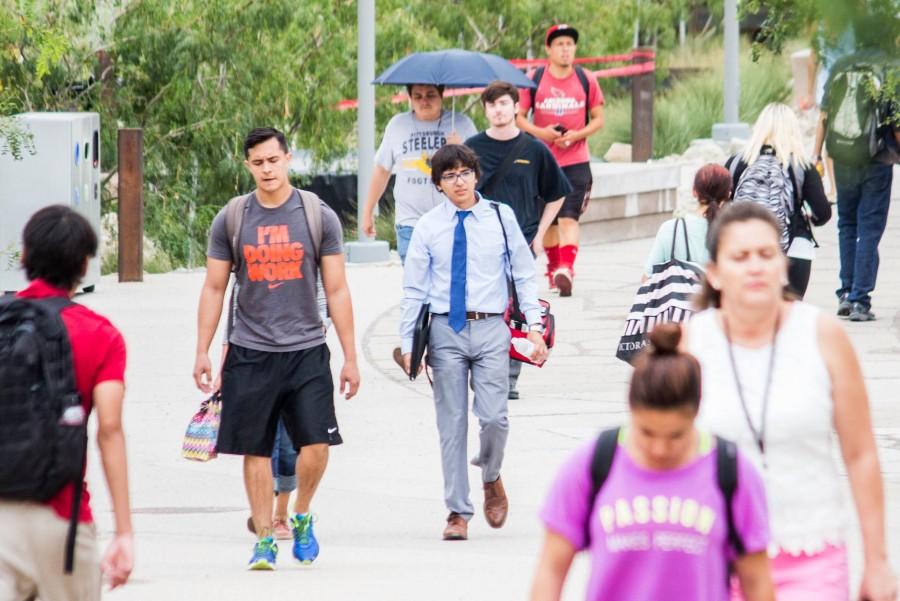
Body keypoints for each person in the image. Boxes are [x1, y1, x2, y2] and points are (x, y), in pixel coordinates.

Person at [686, 203, 897, 601]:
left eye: (767, 255)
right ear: (714, 273)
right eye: (740, 256)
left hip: (811, 557)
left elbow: (861, 454)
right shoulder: (691, 344)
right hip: (715, 562)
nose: (755, 267)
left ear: (783, 266)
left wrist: (877, 560)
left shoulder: (822, 335)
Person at [194, 127, 360, 570]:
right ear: (247, 165)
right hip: (250, 348)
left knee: (316, 447)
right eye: (258, 162)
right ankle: (265, 538)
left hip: (307, 347)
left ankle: (302, 513)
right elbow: (213, 288)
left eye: (274, 160)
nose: (267, 169)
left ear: (287, 159)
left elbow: (338, 289)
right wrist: (203, 349)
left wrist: (350, 357)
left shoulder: (317, 215)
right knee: (256, 448)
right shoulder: (232, 218)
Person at [531, 323, 774, 601]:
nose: (660, 448)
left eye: (675, 435)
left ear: (696, 415)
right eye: (647, 432)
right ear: (631, 409)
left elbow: (757, 582)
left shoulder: (731, 472)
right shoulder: (594, 464)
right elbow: (551, 569)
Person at [399, 144, 548, 541]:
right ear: (438, 185)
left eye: (465, 173)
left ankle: (492, 475)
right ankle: (457, 512)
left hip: (491, 329)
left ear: (476, 176)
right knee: (451, 423)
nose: (459, 181)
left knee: (495, 417)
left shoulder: (500, 217)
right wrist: (407, 341)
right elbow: (414, 288)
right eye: (449, 176)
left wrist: (535, 325)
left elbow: (524, 273)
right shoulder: (429, 226)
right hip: (445, 330)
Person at [0, 205, 133, 599]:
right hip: (64, 520)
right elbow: (109, 431)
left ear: (24, 257)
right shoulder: (101, 335)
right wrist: (124, 531)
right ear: (84, 263)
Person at [465, 80, 571, 400]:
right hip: (477, 242)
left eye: (503, 104)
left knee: (515, 311)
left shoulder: (534, 149)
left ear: (516, 108)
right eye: (491, 104)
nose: (498, 110)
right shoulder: (472, 148)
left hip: (521, 241)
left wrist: (540, 234)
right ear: (485, 110)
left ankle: (509, 378)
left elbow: (557, 193)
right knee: (482, 308)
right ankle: (482, 370)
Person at [518, 23, 605, 297]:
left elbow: (599, 118)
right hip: (543, 161)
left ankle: (566, 268)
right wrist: (541, 133)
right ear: (549, 49)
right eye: (560, 44)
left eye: (569, 44)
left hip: (576, 160)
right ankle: (555, 270)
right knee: (550, 221)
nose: (566, 49)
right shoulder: (535, 78)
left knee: (569, 217)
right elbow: (519, 117)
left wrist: (577, 134)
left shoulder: (585, 78)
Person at [814, 56, 898, 321]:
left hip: (843, 158)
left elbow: (824, 117)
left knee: (847, 224)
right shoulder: (889, 70)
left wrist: (816, 155)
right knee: (870, 229)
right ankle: (860, 301)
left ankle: (846, 293)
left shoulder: (842, 66)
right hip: (877, 161)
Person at [361, 84, 477, 264]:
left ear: (441, 96)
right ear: (410, 98)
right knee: (416, 285)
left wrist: (461, 149)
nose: (424, 100)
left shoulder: (461, 124)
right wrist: (368, 211)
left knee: (448, 283)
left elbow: (476, 172)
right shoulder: (397, 125)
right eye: (418, 96)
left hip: (452, 220)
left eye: (430, 95)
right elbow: (382, 169)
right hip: (410, 223)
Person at [725, 103, 831, 299]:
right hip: (794, 248)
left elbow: (724, 206)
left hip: (744, 251)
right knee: (789, 319)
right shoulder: (801, 165)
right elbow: (823, 214)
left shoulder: (735, 162)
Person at [643, 163, 733, 279]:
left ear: (694, 191)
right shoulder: (733, 232)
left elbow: (647, 277)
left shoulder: (671, 229)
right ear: (728, 194)